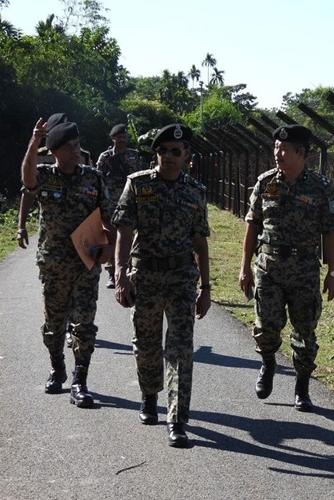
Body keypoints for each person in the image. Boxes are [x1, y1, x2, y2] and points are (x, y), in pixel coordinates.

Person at [112, 123, 211, 448]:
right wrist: (120, 273)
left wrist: (206, 287)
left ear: (186, 155)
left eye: (175, 151)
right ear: (156, 153)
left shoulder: (195, 191)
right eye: (163, 151)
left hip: (182, 279)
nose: (168, 156)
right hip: (146, 278)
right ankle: (149, 394)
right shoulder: (138, 184)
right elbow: (124, 230)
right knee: (146, 345)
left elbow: (200, 241)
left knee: (180, 350)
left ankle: (177, 418)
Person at [238, 124, 334, 412]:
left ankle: (302, 386)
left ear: (301, 152)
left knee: (305, 330)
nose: (277, 153)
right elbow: (252, 225)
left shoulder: (321, 187)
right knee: (266, 325)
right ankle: (268, 363)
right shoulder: (265, 183)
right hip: (268, 267)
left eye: (284, 149)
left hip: (304, 269)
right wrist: (244, 267)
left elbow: (330, 231)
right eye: (275, 147)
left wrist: (333, 272)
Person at [20, 117, 114, 408]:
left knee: (84, 324)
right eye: (69, 147)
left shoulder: (93, 178)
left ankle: (79, 381)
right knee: (54, 325)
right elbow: (27, 181)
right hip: (54, 265)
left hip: (86, 264)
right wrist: (34, 142)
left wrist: (109, 247)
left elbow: (108, 216)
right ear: (55, 151)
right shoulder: (44, 175)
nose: (76, 150)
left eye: (77, 145)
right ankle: (57, 368)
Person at [17, 112, 93, 349]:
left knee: (81, 306)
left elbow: (93, 193)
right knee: (57, 303)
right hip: (54, 249)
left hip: (83, 245)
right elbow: (28, 190)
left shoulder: (84, 156)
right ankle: (61, 335)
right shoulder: (41, 157)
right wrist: (21, 225)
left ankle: (74, 330)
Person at [96, 123, 142, 288]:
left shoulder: (134, 155)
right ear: (113, 139)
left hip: (131, 202)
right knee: (113, 237)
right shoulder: (105, 157)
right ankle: (112, 273)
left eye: (124, 137)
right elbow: (98, 179)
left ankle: (128, 270)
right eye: (119, 137)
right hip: (112, 203)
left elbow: (140, 177)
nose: (122, 140)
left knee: (131, 236)